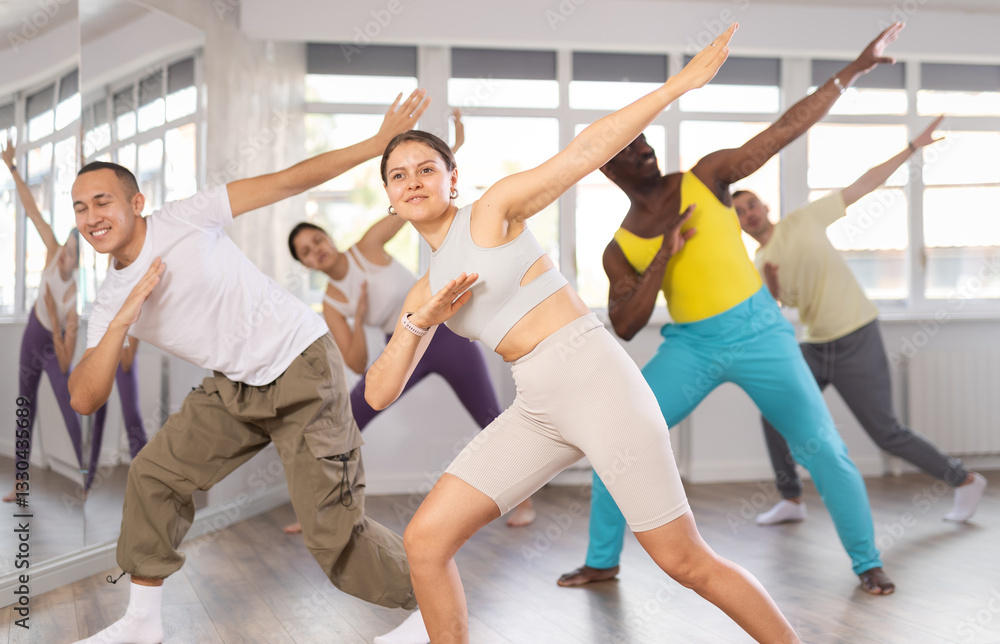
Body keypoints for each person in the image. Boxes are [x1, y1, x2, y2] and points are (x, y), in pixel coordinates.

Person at [367, 26, 803, 644]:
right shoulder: (422, 292)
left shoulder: (492, 210)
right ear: (388, 196)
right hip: (538, 406)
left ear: (451, 178)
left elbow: (585, 150)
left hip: (596, 380)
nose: (412, 180)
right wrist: (420, 321)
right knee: (425, 540)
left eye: (426, 168)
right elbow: (380, 393)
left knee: (684, 562)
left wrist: (678, 85)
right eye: (398, 175)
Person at [67, 91, 433, 644]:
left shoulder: (186, 217)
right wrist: (121, 321)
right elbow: (83, 397)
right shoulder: (111, 297)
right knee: (153, 476)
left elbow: (287, 181)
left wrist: (373, 146)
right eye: (80, 209)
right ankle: (142, 623)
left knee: (332, 534)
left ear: (136, 202)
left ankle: (434, 611)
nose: (92, 217)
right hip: (235, 387)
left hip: (301, 365)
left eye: (102, 202)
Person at [558, 23, 905, 596]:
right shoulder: (620, 249)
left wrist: (852, 72)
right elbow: (624, 324)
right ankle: (602, 561)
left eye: (645, 142)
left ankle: (867, 561)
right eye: (628, 151)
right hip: (691, 346)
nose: (644, 151)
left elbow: (783, 131)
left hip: (761, 333)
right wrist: (665, 257)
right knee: (617, 443)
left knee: (825, 450)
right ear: (606, 168)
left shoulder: (708, 175)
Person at [283, 110, 535, 536]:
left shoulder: (368, 245)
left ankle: (524, 498)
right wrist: (359, 316)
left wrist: (448, 155)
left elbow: (413, 200)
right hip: (404, 344)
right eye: (307, 252)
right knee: (349, 419)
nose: (317, 251)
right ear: (305, 264)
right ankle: (322, 509)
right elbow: (360, 361)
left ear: (327, 237)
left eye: (317, 240)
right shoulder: (332, 302)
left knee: (489, 416)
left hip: (449, 338)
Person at [734, 115, 988, 526]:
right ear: (738, 223)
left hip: (856, 336)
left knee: (886, 433)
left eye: (751, 204)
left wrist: (911, 148)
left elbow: (862, 186)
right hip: (817, 345)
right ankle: (792, 500)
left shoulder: (803, 220)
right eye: (740, 212)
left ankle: (964, 480)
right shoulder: (759, 261)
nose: (749, 213)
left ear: (764, 206)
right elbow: (784, 309)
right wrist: (775, 290)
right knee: (774, 411)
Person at [3, 137, 85, 502]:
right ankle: (21, 483)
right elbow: (32, 209)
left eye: (70, 253)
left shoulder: (73, 299)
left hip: (52, 344)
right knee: (26, 405)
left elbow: (66, 360)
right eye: (65, 250)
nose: (64, 256)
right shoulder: (52, 249)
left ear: (78, 261)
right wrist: (12, 167)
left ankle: (85, 476)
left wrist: (54, 314)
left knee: (70, 402)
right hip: (32, 336)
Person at [86, 336, 149, 492]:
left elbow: (127, 363)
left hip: (121, 357)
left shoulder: (133, 316)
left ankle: (147, 483)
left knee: (132, 419)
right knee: (97, 420)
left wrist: (116, 331)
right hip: (103, 356)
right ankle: (87, 482)